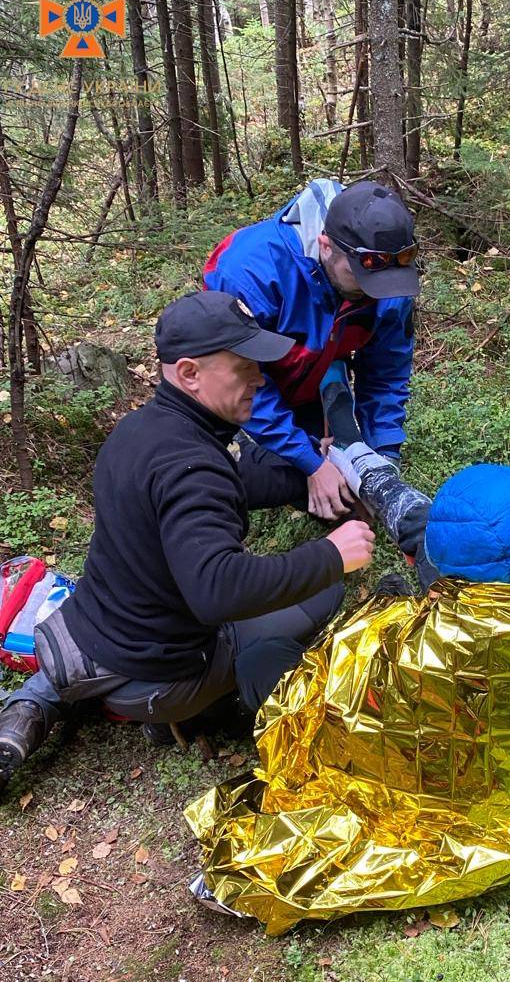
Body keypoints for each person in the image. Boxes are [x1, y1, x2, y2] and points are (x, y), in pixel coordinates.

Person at [0, 292, 375, 794]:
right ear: (190, 373)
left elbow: (223, 482)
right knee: (321, 594)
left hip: (102, 632)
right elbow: (217, 591)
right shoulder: (191, 465)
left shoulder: (142, 431)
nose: (260, 380)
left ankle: (56, 703)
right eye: (244, 367)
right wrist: (333, 553)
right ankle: (206, 709)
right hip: (164, 672)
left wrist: (306, 479)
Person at [203, 178, 420, 522]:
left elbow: (386, 374)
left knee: (342, 505)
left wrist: (384, 459)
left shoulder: (389, 279)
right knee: (222, 485)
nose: (377, 293)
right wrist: (310, 462)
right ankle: (244, 453)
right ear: (326, 245)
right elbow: (238, 380)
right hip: (236, 392)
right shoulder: (249, 271)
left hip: (312, 380)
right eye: (363, 281)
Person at [320, 362, 510, 592]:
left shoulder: (443, 631)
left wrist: (390, 598)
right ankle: (356, 453)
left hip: (457, 601)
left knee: (420, 525)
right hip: (503, 583)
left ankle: (354, 453)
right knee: (448, 529)